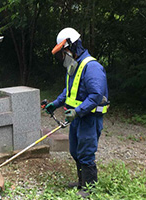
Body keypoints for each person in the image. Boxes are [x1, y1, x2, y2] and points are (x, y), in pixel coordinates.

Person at [45, 27, 109, 197]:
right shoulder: (74, 66)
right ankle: (81, 182)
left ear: (72, 46)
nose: (62, 56)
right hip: (78, 118)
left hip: (89, 118)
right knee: (75, 151)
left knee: (86, 152)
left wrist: (77, 111)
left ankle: (89, 189)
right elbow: (69, 91)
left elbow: (96, 95)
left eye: (63, 51)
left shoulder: (92, 67)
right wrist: (55, 104)